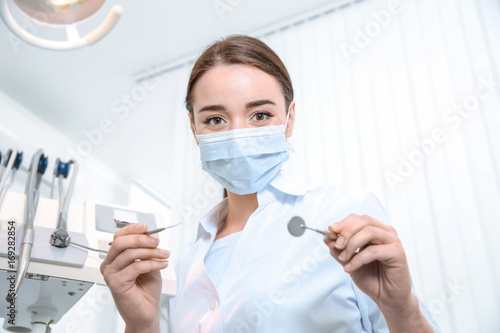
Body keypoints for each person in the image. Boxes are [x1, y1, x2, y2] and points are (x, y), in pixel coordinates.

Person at [100, 35, 441, 333]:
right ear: (194, 128)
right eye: (215, 119)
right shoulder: (187, 261)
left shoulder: (341, 216)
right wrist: (142, 326)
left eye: (260, 115)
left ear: (290, 118)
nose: (238, 135)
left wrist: (402, 309)